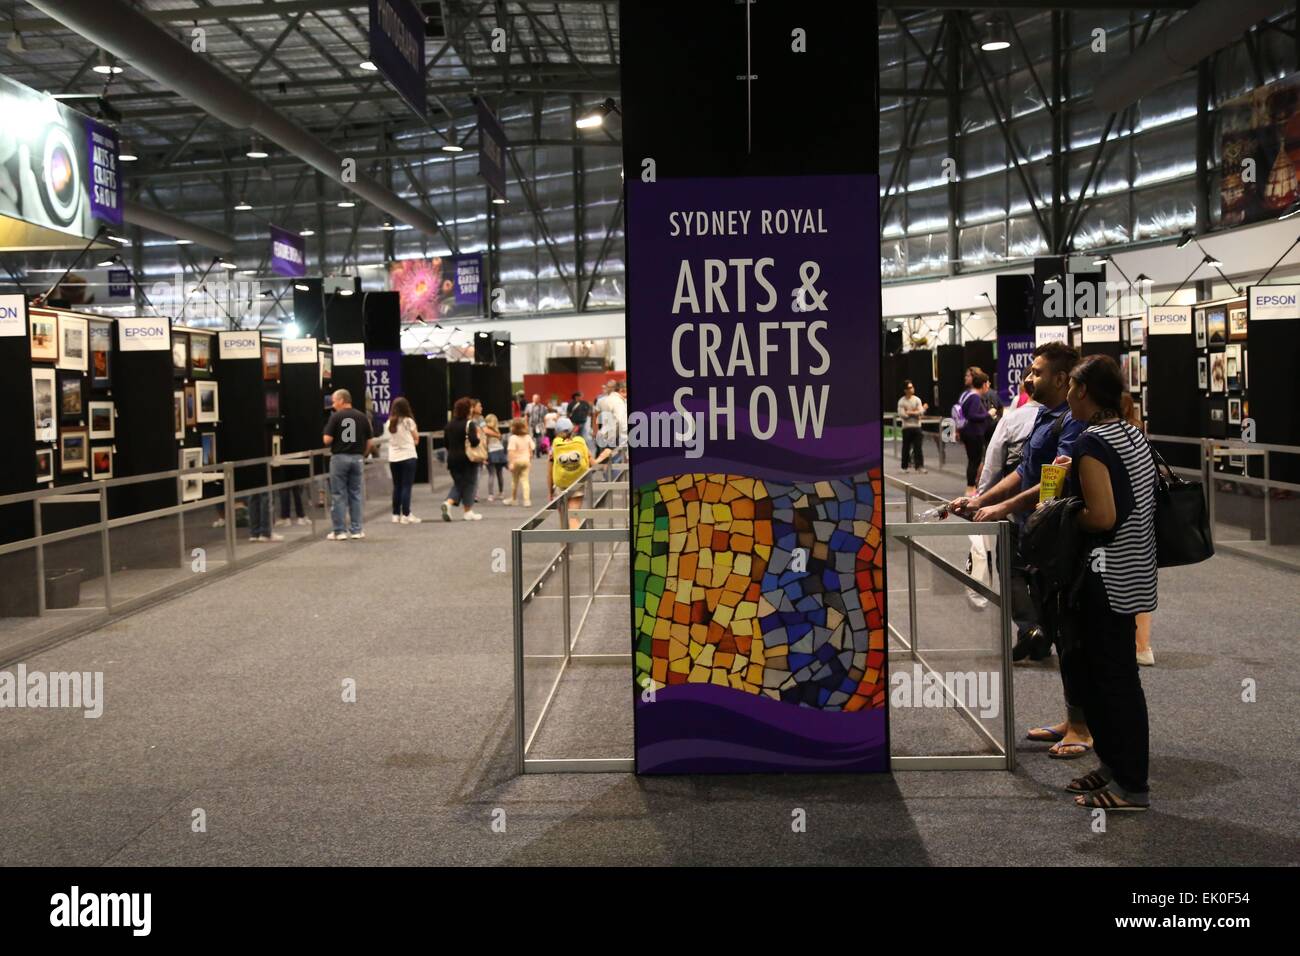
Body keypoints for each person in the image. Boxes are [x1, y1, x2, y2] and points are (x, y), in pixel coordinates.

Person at [949, 342, 1088, 754]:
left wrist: (1000, 507)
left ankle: (1084, 728)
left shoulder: (1074, 421)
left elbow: (1054, 479)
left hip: (1067, 542)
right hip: (1040, 539)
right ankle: (1074, 718)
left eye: (1038, 372)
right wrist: (981, 500)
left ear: (1063, 379)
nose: (1028, 378)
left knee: (1074, 635)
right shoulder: (1045, 415)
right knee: (1058, 628)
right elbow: (1025, 470)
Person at [1059, 354, 1157, 812]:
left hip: (1104, 577)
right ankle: (1114, 768)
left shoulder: (1092, 443)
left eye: (1072, 385)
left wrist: (1061, 515)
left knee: (1112, 680)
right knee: (1109, 675)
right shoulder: (1133, 434)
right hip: (1135, 570)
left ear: (1081, 390)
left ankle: (1131, 785)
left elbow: (1102, 516)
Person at [966, 381, 1040, 618]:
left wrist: (982, 498)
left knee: (1011, 570)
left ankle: (1031, 629)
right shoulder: (1067, 419)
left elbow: (994, 465)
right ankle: (1039, 633)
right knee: (1042, 572)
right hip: (1050, 515)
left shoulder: (1014, 419)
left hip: (1018, 514)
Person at [1122, 393, 1155, 667]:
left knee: (1123, 585)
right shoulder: (1138, 433)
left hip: (1125, 523)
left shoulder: (1111, 439)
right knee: (1142, 585)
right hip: (1144, 521)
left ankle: (1136, 645)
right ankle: (1143, 645)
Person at [322, 388, 373, 540]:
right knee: (356, 494)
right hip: (357, 458)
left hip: (339, 458)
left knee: (338, 495)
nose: (333, 404)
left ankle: (339, 531)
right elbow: (370, 441)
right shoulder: (362, 416)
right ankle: (356, 530)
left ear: (342, 400)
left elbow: (327, 440)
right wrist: (362, 454)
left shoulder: (335, 417)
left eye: (334, 401)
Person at [548, 416, 609, 529]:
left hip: (560, 485)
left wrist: (550, 492)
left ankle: (565, 545)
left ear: (557, 432)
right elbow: (594, 464)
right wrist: (604, 454)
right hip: (577, 484)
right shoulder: (580, 443)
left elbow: (550, 471)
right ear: (573, 430)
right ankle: (575, 544)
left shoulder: (555, 446)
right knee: (573, 517)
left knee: (563, 518)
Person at [441, 397, 482, 521]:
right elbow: (474, 442)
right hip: (467, 459)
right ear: (467, 410)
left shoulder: (449, 425)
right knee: (469, 484)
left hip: (452, 459)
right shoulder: (469, 424)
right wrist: (478, 437)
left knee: (459, 483)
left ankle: (451, 505)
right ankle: (463, 509)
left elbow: (446, 443)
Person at [386, 396, 421, 524]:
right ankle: (406, 514)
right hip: (408, 455)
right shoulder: (408, 421)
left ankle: (395, 514)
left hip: (394, 457)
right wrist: (412, 442)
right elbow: (416, 438)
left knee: (397, 486)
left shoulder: (389, 423)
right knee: (407, 486)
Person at [956, 369, 991, 495]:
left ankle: (971, 487)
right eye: (988, 383)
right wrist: (987, 414)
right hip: (974, 433)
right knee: (974, 461)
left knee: (972, 460)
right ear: (983, 384)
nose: (989, 386)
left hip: (966, 431)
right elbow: (972, 415)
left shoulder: (966, 394)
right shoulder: (975, 397)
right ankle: (971, 488)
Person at [896, 379, 927, 472]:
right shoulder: (901, 401)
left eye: (912, 387)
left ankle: (919, 466)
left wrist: (909, 412)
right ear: (905, 390)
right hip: (906, 428)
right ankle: (904, 467)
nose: (912, 389)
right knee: (905, 448)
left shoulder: (917, 399)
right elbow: (902, 415)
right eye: (909, 387)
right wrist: (915, 412)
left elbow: (921, 412)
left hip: (917, 427)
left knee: (918, 448)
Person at [594, 379, 628, 459]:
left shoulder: (603, 400)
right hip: (616, 438)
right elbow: (620, 422)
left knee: (607, 462)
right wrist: (624, 441)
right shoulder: (618, 401)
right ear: (622, 390)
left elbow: (598, 416)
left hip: (605, 434)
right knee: (616, 464)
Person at [506, 418, 536, 507]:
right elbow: (532, 448)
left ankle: (514, 499)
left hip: (516, 461)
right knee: (525, 480)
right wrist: (530, 458)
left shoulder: (513, 438)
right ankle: (527, 500)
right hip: (526, 460)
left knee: (515, 481)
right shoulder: (527, 437)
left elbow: (511, 452)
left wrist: (511, 463)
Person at [483, 412, 507, 502]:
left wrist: (484, 456)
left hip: (491, 452)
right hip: (500, 451)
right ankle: (501, 493)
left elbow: (485, 443)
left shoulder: (485, 431)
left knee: (491, 474)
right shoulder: (497, 430)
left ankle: (490, 495)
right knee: (500, 473)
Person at [525, 393, 547, 457]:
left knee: (539, 439)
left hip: (539, 425)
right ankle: (532, 451)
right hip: (531, 425)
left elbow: (545, 417)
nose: (536, 399)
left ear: (539, 399)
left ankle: (538, 451)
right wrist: (526, 425)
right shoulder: (528, 406)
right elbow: (526, 416)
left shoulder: (543, 407)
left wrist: (545, 426)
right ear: (532, 399)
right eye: (534, 398)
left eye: (537, 398)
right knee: (530, 439)